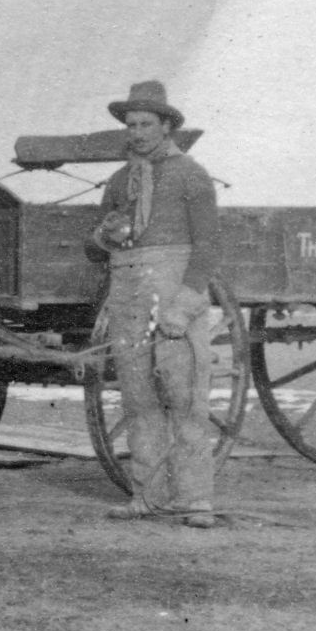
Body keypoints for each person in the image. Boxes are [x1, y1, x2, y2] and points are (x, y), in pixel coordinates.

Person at [87, 80, 222, 529]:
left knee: (184, 397)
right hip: (128, 298)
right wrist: (105, 235)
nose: (137, 132)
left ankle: (195, 499)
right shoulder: (120, 180)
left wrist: (182, 307)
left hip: (173, 298)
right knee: (138, 398)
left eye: (146, 124)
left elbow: (206, 248)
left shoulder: (191, 175)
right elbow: (95, 248)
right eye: (131, 125)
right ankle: (146, 495)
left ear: (167, 126)